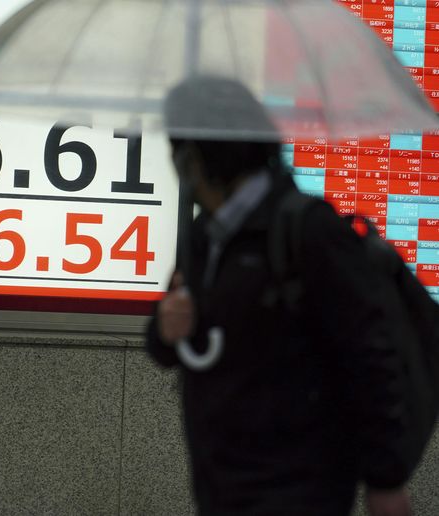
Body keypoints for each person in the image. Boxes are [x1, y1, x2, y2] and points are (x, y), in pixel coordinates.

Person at [146, 76, 412, 516]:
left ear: (199, 157)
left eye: (180, 150)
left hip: (302, 484)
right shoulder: (204, 236)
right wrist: (164, 327)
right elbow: (172, 346)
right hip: (220, 482)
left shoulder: (309, 232)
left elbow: (370, 355)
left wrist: (385, 480)